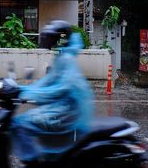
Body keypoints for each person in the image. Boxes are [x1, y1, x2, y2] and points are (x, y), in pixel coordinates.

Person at [10, 20, 95, 164]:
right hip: (63, 107)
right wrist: (21, 89)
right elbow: (48, 81)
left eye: (48, 36)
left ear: (59, 38)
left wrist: (27, 94)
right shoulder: (61, 56)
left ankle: (33, 162)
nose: (44, 39)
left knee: (20, 123)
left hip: (67, 111)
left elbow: (61, 88)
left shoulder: (66, 58)